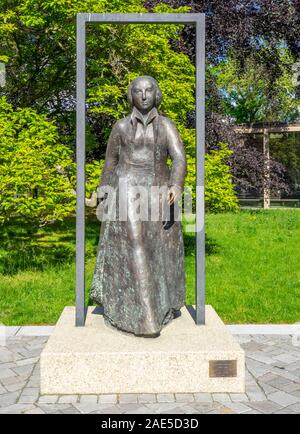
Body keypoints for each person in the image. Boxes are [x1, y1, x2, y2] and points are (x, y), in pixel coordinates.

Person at [90, 76, 187, 337]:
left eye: (148, 90)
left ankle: (161, 307)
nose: (143, 95)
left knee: (157, 248)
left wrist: (176, 186)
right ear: (130, 95)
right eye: (138, 91)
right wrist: (102, 192)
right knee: (136, 244)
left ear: (156, 95)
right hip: (126, 187)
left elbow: (179, 158)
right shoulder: (120, 127)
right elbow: (110, 163)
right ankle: (145, 320)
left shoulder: (166, 125)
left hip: (157, 189)